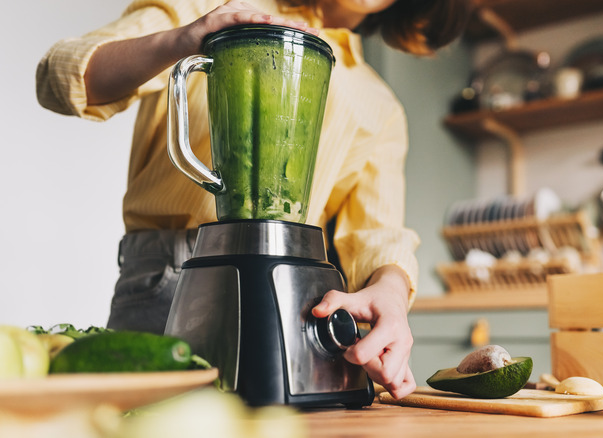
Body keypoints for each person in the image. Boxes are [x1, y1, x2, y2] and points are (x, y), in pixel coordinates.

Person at [36, 0, 470, 399]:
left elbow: (378, 234)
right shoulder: (213, 9)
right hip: (166, 278)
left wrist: (391, 293)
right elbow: (61, 76)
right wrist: (183, 39)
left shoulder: (380, 105)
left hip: (293, 291)